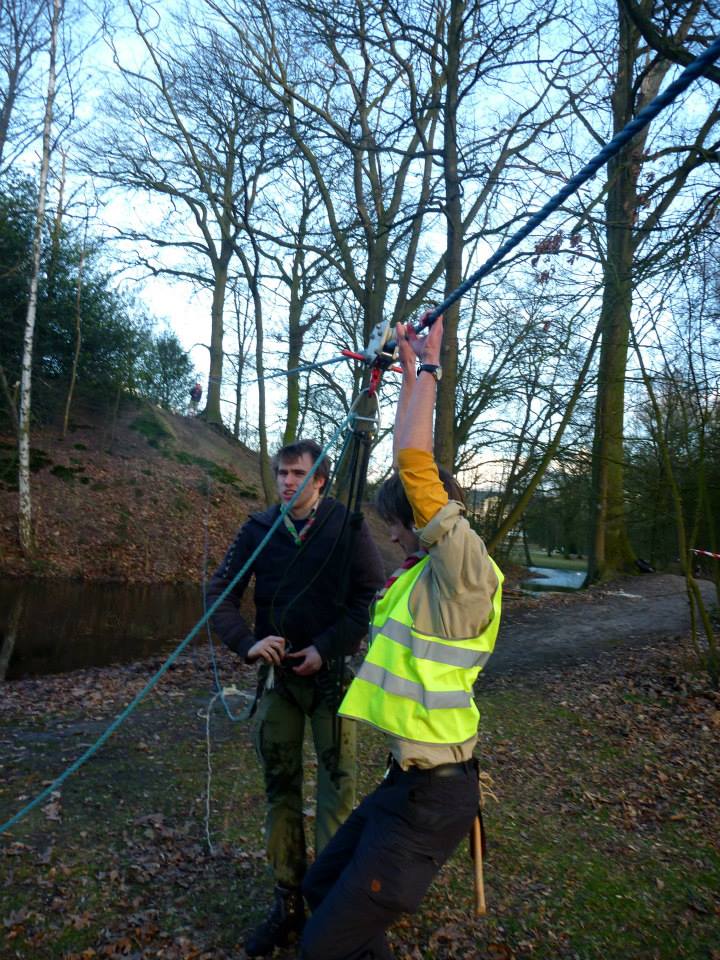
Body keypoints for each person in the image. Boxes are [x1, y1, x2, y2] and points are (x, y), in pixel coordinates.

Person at [299, 317, 503, 960]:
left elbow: (414, 462)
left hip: (435, 802)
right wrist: (411, 371)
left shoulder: (464, 572)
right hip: (403, 785)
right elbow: (405, 466)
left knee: (322, 948)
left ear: (425, 521)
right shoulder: (422, 580)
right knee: (321, 886)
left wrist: (432, 370)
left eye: (398, 525)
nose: (391, 536)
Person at [207, 439, 384, 957]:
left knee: (338, 789)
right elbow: (220, 593)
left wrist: (327, 650)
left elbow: (367, 599)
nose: (287, 482)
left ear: (321, 479)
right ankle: (287, 901)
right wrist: (246, 642)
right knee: (280, 790)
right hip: (277, 683)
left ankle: (328, 903)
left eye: (298, 474)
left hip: (331, 683)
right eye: (282, 473)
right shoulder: (258, 529)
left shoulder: (346, 527)